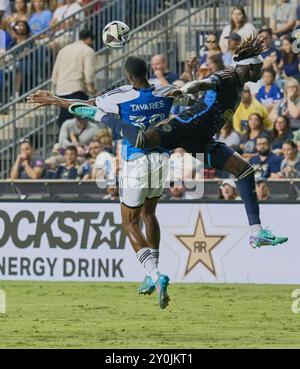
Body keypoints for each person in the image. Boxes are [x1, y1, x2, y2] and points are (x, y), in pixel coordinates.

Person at [62, 36, 288, 249]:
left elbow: (201, 92)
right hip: (183, 126)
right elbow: (202, 86)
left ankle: (256, 232)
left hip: (201, 140)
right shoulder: (227, 77)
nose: (261, 71)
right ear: (248, 67)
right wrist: (186, 86)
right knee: (141, 140)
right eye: (258, 67)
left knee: (244, 170)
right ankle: (101, 117)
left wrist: (190, 78)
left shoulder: (239, 84)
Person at [28, 56, 193, 309]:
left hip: (136, 161)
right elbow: (189, 96)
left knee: (129, 221)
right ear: (147, 72)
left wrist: (54, 100)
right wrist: (190, 74)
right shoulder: (165, 91)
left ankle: (155, 275)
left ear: (128, 76)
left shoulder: (119, 96)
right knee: (150, 214)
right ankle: (153, 272)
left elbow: (85, 106)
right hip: (161, 159)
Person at [51, 29, 96, 127]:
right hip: (77, 88)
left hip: (61, 89)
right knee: (81, 122)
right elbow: (88, 76)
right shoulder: (88, 51)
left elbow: (55, 74)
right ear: (89, 39)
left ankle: (63, 140)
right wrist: (93, 91)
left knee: (64, 119)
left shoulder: (64, 49)